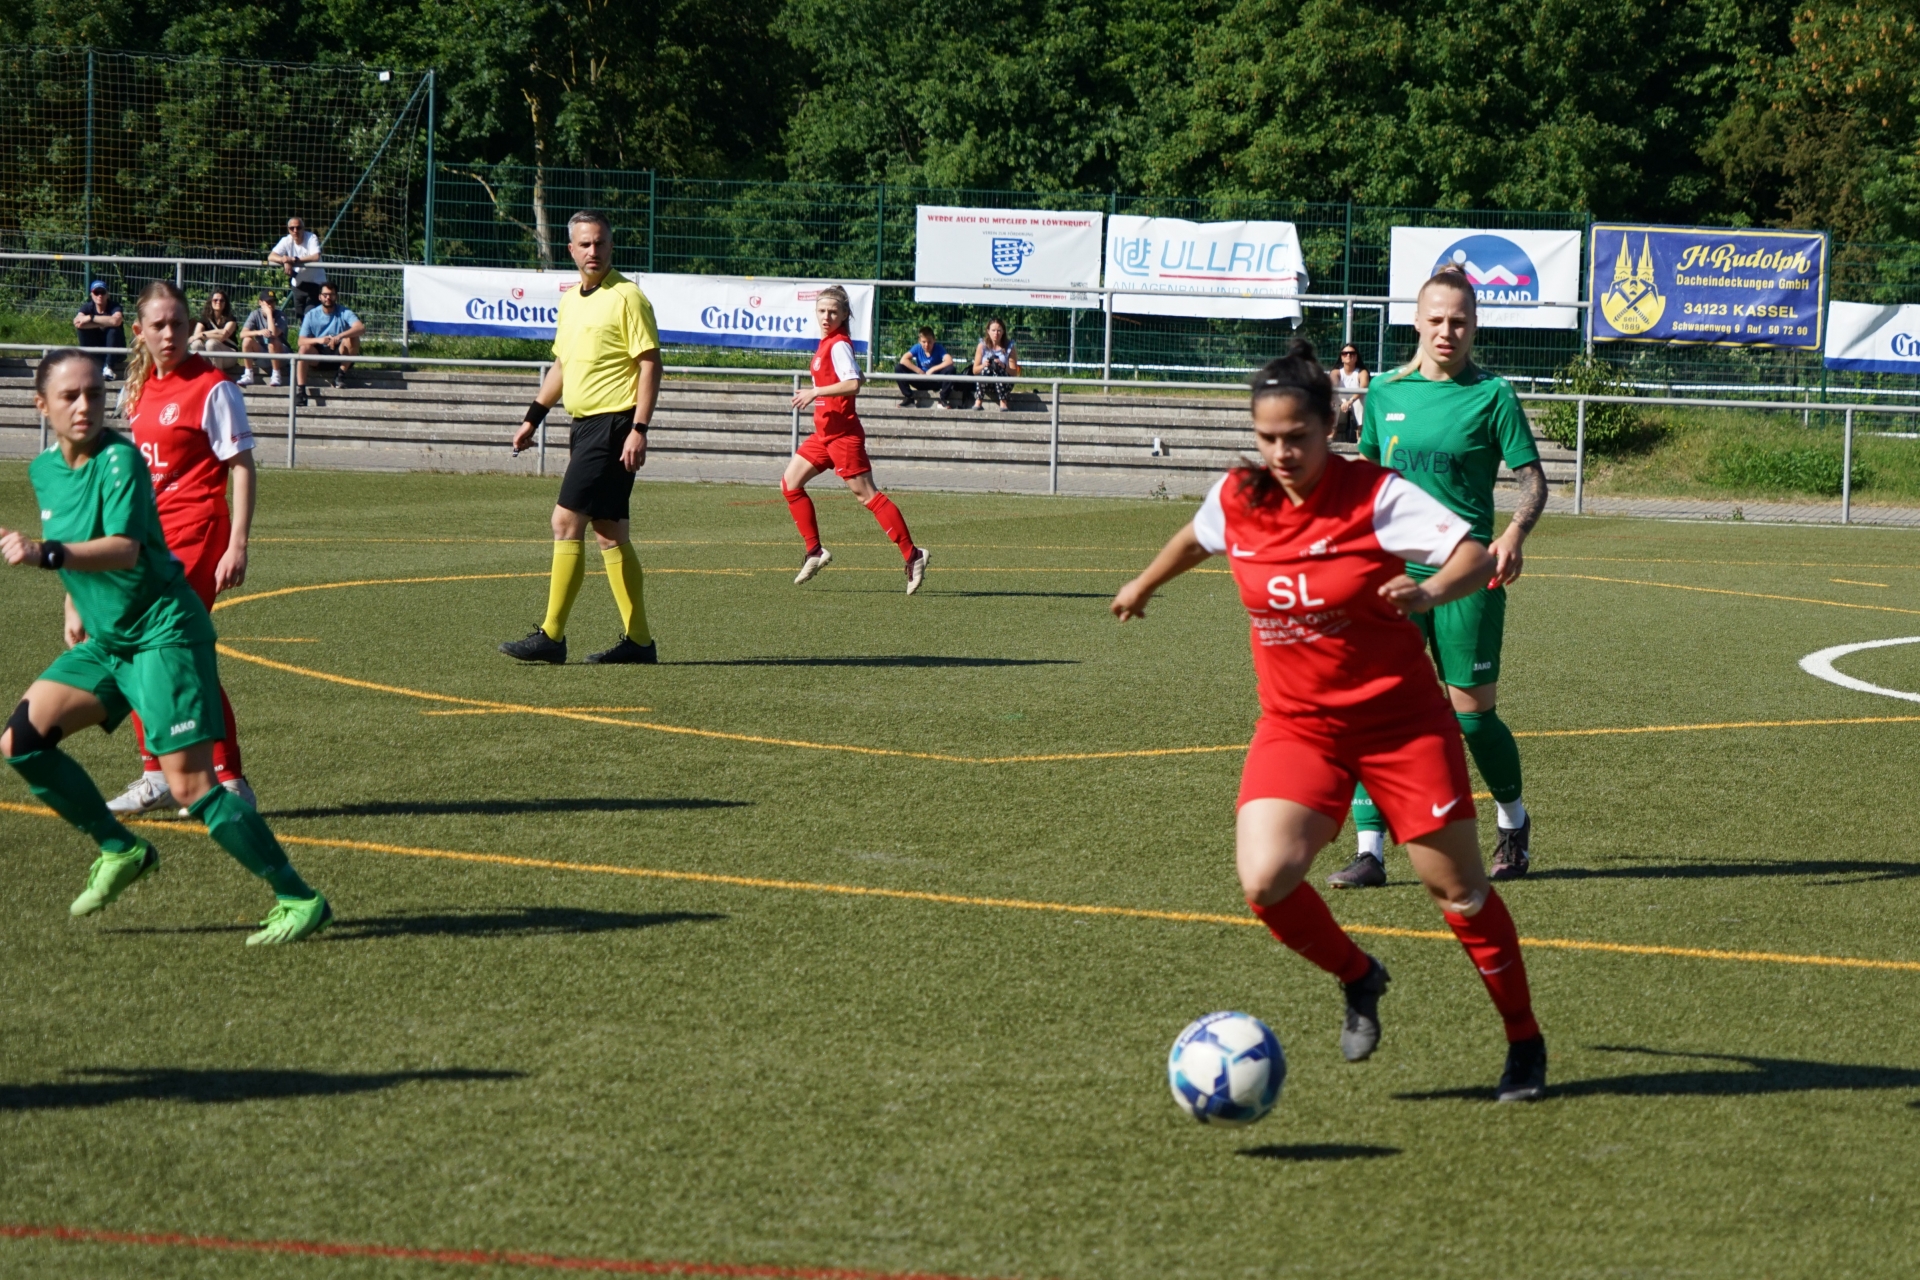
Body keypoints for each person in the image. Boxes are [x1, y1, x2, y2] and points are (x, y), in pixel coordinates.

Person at [1109, 339, 1546, 1102]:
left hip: (1400, 724)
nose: (1282, 453)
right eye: (1267, 438)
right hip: (1299, 728)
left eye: (1298, 437)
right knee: (1266, 879)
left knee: (1459, 894)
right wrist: (1144, 583)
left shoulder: (1374, 495)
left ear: (1330, 425)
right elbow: (1197, 537)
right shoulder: (1241, 496)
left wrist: (1429, 592)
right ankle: (1359, 974)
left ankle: (1523, 1040)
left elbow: (1473, 554)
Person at [0, 349, 330, 945]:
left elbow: (123, 548)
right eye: (70, 396)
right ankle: (121, 848)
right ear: (41, 405)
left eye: (94, 394)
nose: (84, 406)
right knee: (22, 742)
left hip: (163, 633)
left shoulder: (121, 459)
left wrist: (44, 555)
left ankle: (298, 897)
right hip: (111, 640)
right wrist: (73, 599)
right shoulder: (44, 470)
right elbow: (75, 534)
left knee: (190, 787)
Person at [1329, 266, 1549, 890]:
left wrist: (1514, 533)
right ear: (1417, 321)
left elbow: (1533, 481)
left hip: (1466, 574)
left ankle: (1513, 823)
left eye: (1459, 321)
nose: (1447, 331)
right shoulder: (1385, 392)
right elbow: (1368, 480)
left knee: (1472, 717)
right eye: (1436, 320)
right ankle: (1370, 850)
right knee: (1375, 709)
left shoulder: (1493, 395)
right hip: (1392, 576)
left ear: (1474, 326)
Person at [103, 278, 260, 817]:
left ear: (191, 325)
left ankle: (230, 780)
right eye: (158, 325)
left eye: (177, 323)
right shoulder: (138, 391)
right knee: (138, 652)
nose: (168, 334)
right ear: (139, 331)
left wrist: (237, 544)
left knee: (174, 650)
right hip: (152, 540)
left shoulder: (213, 387)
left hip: (198, 534)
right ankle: (159, 775)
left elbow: (241, 466)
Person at [500, 210, 662, 666]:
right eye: (585, 244)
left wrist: (639, 429)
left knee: (565, 522)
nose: (594, 251)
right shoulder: (571, 300)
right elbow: (563, 365)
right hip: (584, 426)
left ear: (612, 246)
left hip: (614, 425)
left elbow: (650, 363)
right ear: (571, 249)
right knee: (609, 533)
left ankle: (552, 636)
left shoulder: (628, 297)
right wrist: (533, 418)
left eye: (601, 243)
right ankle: (640, 643)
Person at [781, 285, 929, 593]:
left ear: (845, 314)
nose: (826, 317)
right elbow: (858, 375)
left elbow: (852, 384)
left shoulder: (837, 344)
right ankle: (815, 551)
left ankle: (913, 554)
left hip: (843, 435)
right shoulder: (829, 344)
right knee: (790, 483)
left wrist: (816, 392)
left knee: (867, 496)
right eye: (822, 311)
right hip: (824, 433)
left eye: (833, 312)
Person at [295, 283, 364, 401]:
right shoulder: (311, 315)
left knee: (353, 337)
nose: (328, 297)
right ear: (319, 297)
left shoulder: (344, 312)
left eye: (331, 295)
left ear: (336, 296)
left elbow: (360, 328)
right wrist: (320, 340)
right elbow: (300, 341)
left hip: (340, 354)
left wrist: (340, 336)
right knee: (303, 349)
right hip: (319, 355)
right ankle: (301, 391)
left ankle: (340, 375)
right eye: (325, 295)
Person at [268, 216, 325, 320]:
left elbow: (316, 256)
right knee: (300, 316)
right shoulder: (286, 240)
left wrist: (294, 260)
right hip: (298, 284)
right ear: (288, 229)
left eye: (298, 227)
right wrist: (284, 260)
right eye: (292, 228)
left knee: (310, 316)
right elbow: (271, 256)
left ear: (303, 228)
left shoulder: (311, 238)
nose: (295, 231)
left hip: (315, 283)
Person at [73, 281, 124, 380]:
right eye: (96, 292)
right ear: (92, 294)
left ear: (107, 294)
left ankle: (109, 367)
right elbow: (78, 323)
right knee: (81, 330)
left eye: (102, 292)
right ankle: (88, 362)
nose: (100, 295)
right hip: (96, 348)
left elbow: (116, 321)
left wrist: (91, 318)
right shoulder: (87, 307)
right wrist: (105, 322)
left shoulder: (115, 306)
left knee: (113, 329)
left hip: (116, 352)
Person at [237, 289, 288, 387]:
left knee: (273, 341)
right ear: (260, 302)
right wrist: (258, 332)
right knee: (247, 340)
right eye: (268, 302)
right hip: (263, 353)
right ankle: (248, 374)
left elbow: (273, 334)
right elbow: (242, 334)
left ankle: (276, 375)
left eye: (273, 301)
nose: (271, 305)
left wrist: (269, 314)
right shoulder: (255, 314)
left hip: (281, 355)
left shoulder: (281, 315)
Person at [896, 326, 956, 407]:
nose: (927, 345)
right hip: (921, 380)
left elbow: (949, 361)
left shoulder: (938, 348)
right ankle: (909, 398)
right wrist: (919, 371)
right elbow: (903, 360)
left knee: (951, 369)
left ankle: (943, 399)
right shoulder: (917, 348)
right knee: (899, 368)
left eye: (929, 342)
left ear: (934, 340)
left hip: (935, 380)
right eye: (924, 342)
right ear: (919, 341)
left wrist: (932, 369)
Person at [971, 318, 1019, 411]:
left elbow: (1014, 372)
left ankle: (1003, 402)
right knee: (986, 369)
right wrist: (984, 365)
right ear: (988, 331)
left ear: (1003, 331)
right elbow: (975, 370)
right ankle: (978, 401)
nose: (996, 333)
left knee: (997, 368)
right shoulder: (982, 346)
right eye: (993, 330)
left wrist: (1003, 366)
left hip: (1005, 383)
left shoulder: (1010, 347)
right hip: (987, 381)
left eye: (999, 330)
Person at [189, 289, 240, 370]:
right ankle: (200, 373)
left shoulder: (231, 319)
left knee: (211, 343)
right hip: (210, 355)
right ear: (211, 302)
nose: (218, 302)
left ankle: (217, 375)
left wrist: (203, 334)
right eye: (215, 300)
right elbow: (196, 336)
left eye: (221, 300)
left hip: (229, 355)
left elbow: (222, 336)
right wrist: (217, 331)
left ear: (225, 303)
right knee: (196, 344)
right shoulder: (205, 319)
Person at [1330, 343, 1369, 442]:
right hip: (1341, 401)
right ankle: (1332, 431)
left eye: (1352, 353)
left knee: (1362, 400)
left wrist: (1350, 401)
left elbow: (1363, 388)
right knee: (1332, 399)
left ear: (1356, 357)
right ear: (1341, 357)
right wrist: (1343, 402)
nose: (1348, 355)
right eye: (1345, 353)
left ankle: (1360, 433)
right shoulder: (1336, 372)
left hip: (1355, 400)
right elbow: (1333, 385)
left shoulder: (1362, 372)